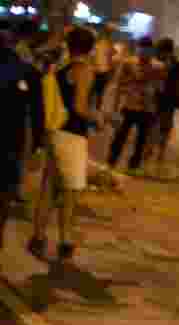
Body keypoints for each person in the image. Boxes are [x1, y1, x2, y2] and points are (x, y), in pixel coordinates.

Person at [28, 27, 99, 262]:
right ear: (90, 47)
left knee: (49, 185)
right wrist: (98, 117)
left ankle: (37, 237)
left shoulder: (62, 68)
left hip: (56, 131)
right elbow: (79, 107)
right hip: (73, 135)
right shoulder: (84, 70)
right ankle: (65, 240)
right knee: (71, 190)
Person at [0, 21, 44, 250]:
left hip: (10, 144)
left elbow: (38, 113)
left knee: (5, 191)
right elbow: (38, 113)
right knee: (5, 192)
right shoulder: (28, 72)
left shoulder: (27, 72)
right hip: (10, 143)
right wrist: (38, 144)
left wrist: (37, 143)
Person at [107, 36, 165, 174]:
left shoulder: (158, 66)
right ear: (138, 49)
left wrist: (152, 85)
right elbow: (119, 84)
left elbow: (161, 88)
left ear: (152, 51)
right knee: (120, 135)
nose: (144, 52)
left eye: (148, 49)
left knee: (141, 139)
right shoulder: (128, 63)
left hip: (148, 107)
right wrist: (115, 108)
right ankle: (111, 161)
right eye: (142, 48)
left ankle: (133, 165)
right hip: (129, 105)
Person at [148, 37, 179, 177]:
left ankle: (160, 151)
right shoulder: (160, 62)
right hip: (158, 98)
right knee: (154, 124)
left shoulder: (177, 65)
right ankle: (152, 149)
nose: (158, 53)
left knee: (164, 126)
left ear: (166, 51)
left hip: (168, 100)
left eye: (160, 51)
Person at [89, 22, 116, 109]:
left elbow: (111, 56)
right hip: (98, 71)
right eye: (109, 31)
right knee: (95, 93)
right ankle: (93, 111)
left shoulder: (105, 43)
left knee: (96, 93)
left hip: (101, 71)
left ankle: (94, 111)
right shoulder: (100, 43)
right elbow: (111, 56)